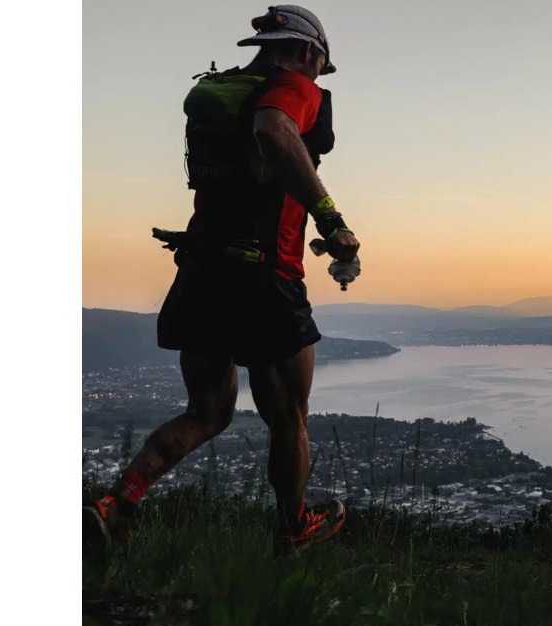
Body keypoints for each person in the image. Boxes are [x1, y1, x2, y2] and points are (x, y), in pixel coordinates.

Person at [84, 5, 361, 557]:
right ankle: (293, 529)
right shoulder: (293, 87)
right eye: (320, 65)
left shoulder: (221, 92)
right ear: (307, 51)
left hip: (204, 269)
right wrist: (331, 220)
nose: (318, 77)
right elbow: (274, 129)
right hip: (265, 277)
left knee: (207, 412)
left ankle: (117, 504)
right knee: (290, 418)